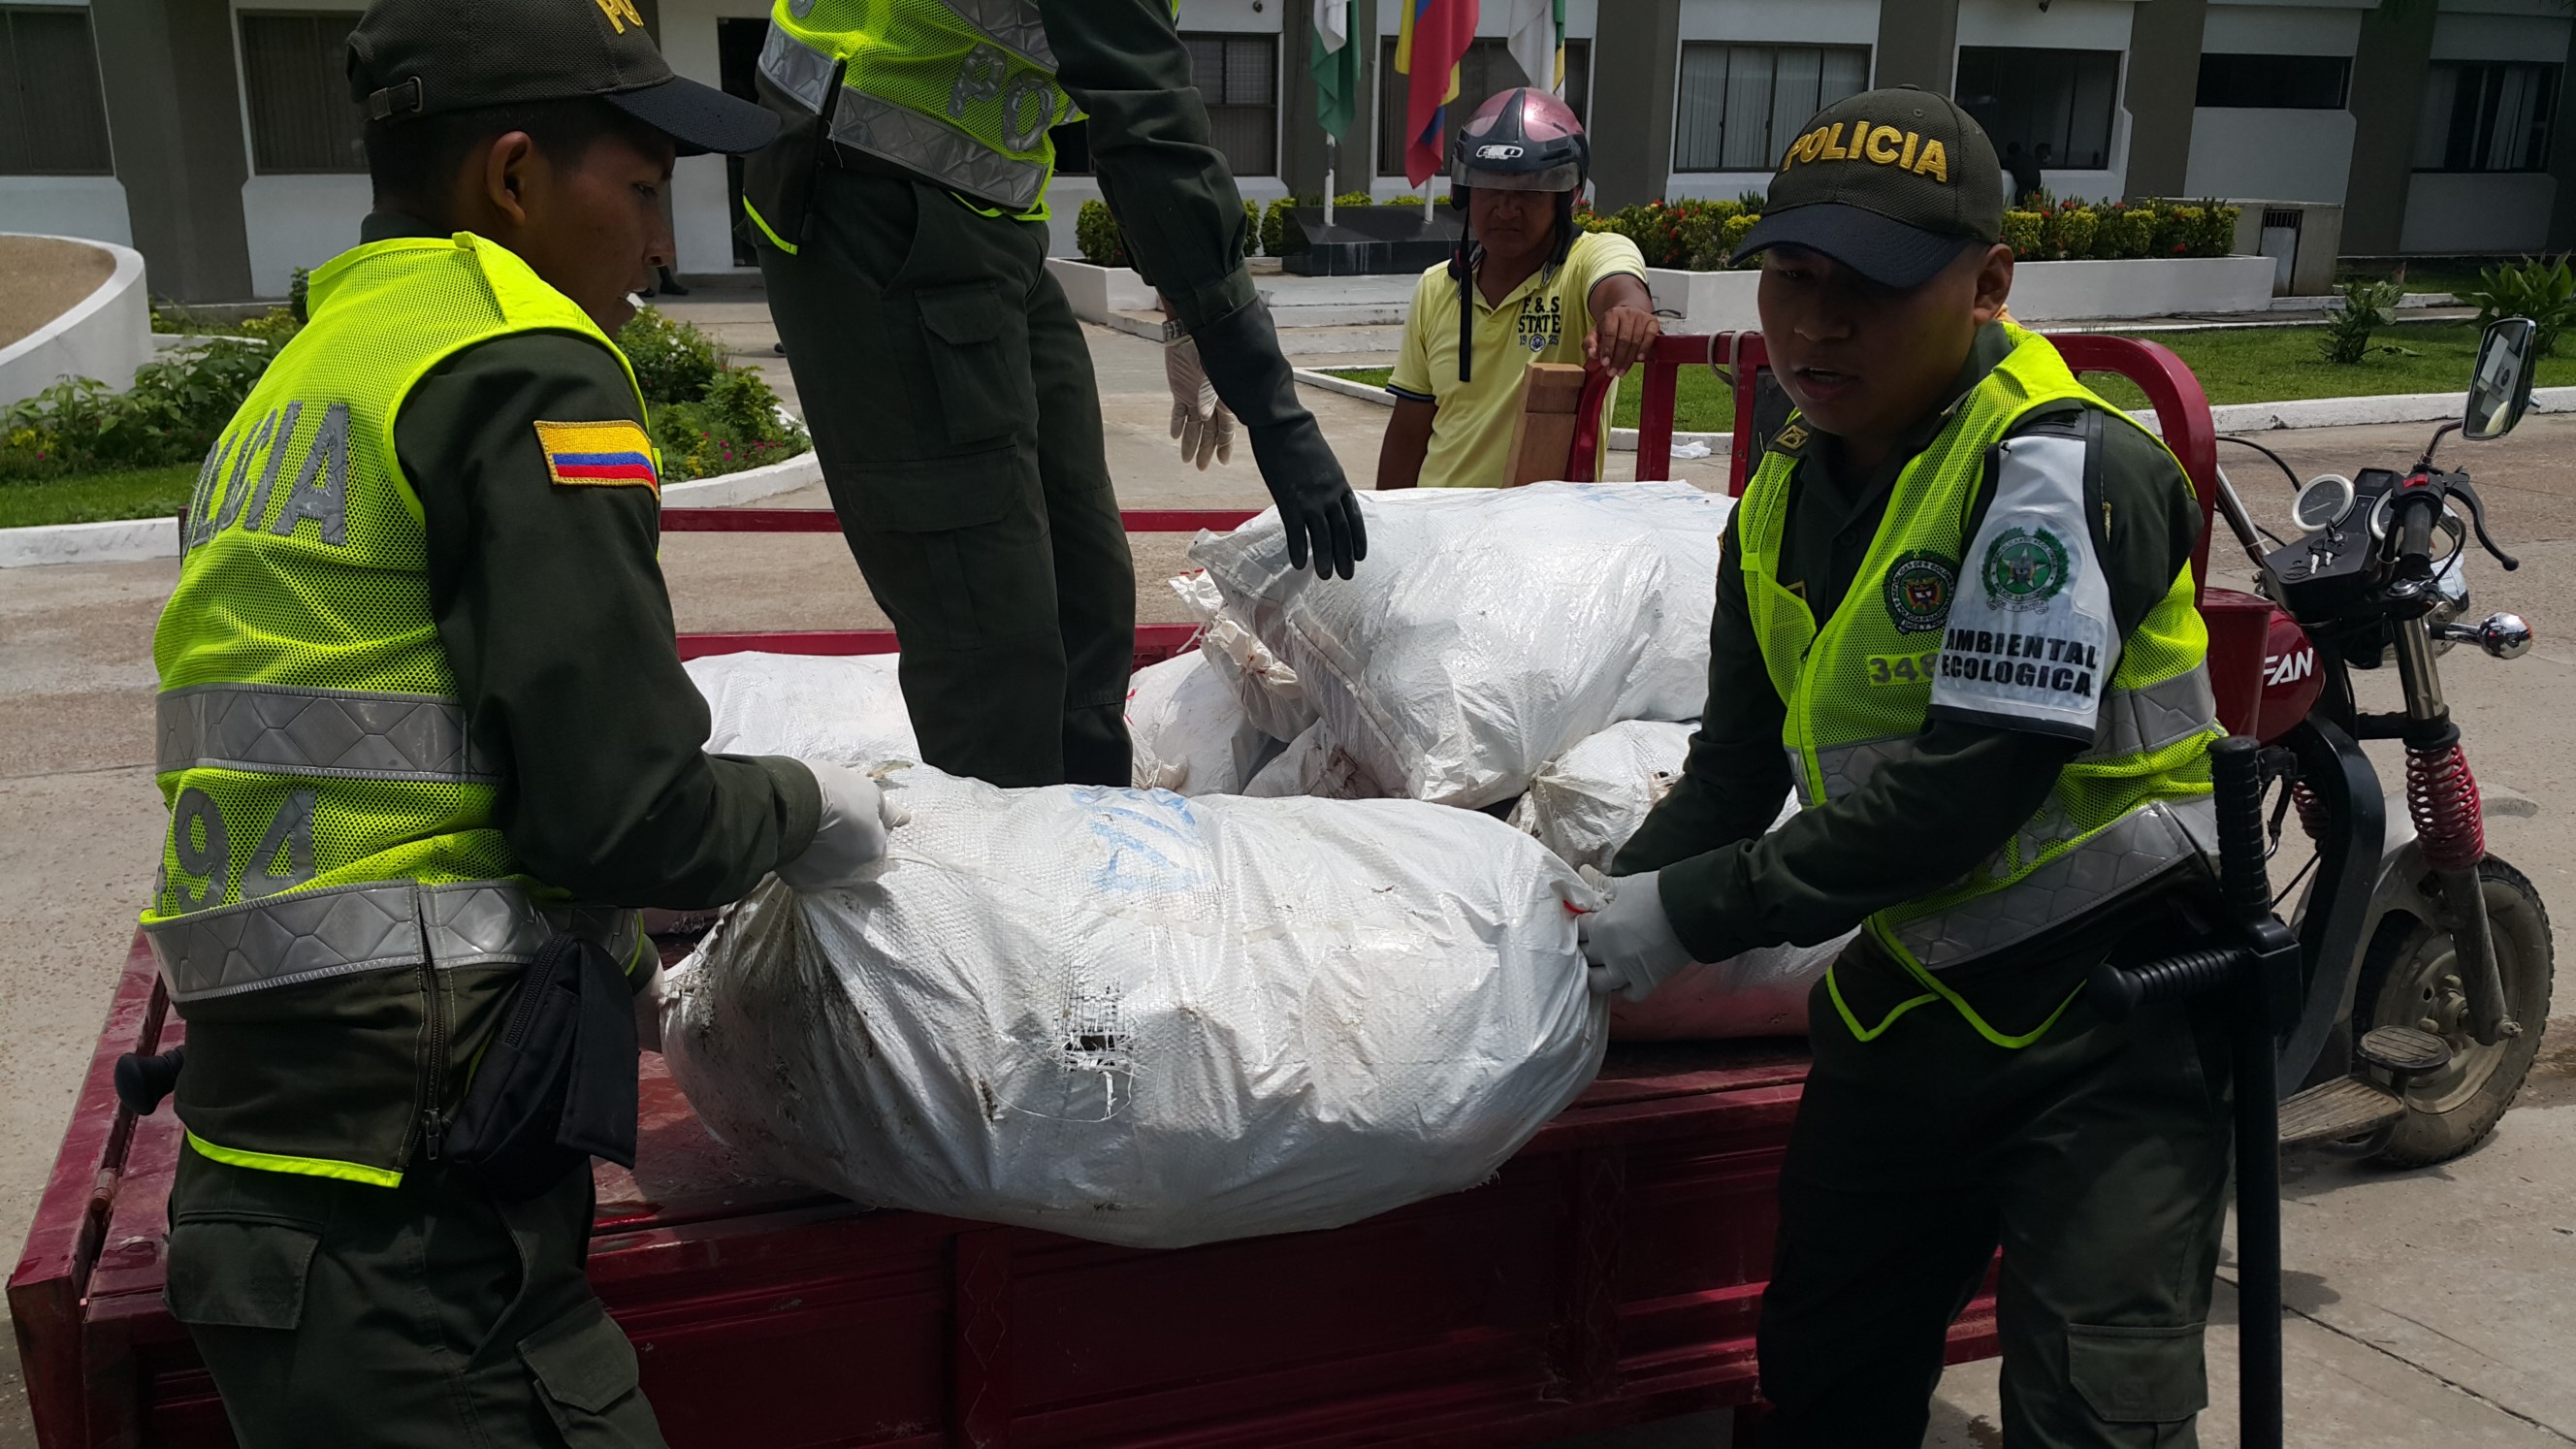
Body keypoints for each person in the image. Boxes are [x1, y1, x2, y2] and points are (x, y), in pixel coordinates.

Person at [141, 2, 899, 1442]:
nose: (663, 247)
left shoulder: (311, 371)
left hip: (279, 1159)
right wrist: (818, 804)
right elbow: (622, 814)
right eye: (640, 188)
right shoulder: (527, 365)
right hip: (419, 1216)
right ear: (510, 181)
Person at [1576, 88, 2230, 1447]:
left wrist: (1693, 916)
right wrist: (1602, 908)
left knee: (2096, 1411)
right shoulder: (1782, 483)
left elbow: (1963, 793)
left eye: (1870, 288)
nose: (1817, 324)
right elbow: (1735, 768)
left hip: (2110, 1011)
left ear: (1989, 282)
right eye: (1791, 278)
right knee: (1824, 1366)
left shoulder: (2062, 473)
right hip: (1915, 988)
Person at [743, 1, 1365, 790]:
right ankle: (1011, 885)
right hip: (864, 200)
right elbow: (1146, 125)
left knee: (1088, 592)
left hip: (987, 221)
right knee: (989, 625)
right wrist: (1277, 413)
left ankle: (1088, 836)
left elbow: (1126, 100)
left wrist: (1187, 318)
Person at [1376, 87, 1659, 490]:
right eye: (1490, 188)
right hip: (1438, 529)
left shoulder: (1587, 260)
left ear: (1565, 198)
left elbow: (1621, 288)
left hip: (1540, 536)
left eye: (1527, 191)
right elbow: (1408, 433)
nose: (1506, 209)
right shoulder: (1437, 286)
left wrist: (1628, 314)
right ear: (1464, 193)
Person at [2004, 138, 2044, 206]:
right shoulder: (2029, 157)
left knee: (2020, 208)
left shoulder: (2014, 159)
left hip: (2025, 188)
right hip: (2036, 189)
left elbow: (2004, 164)